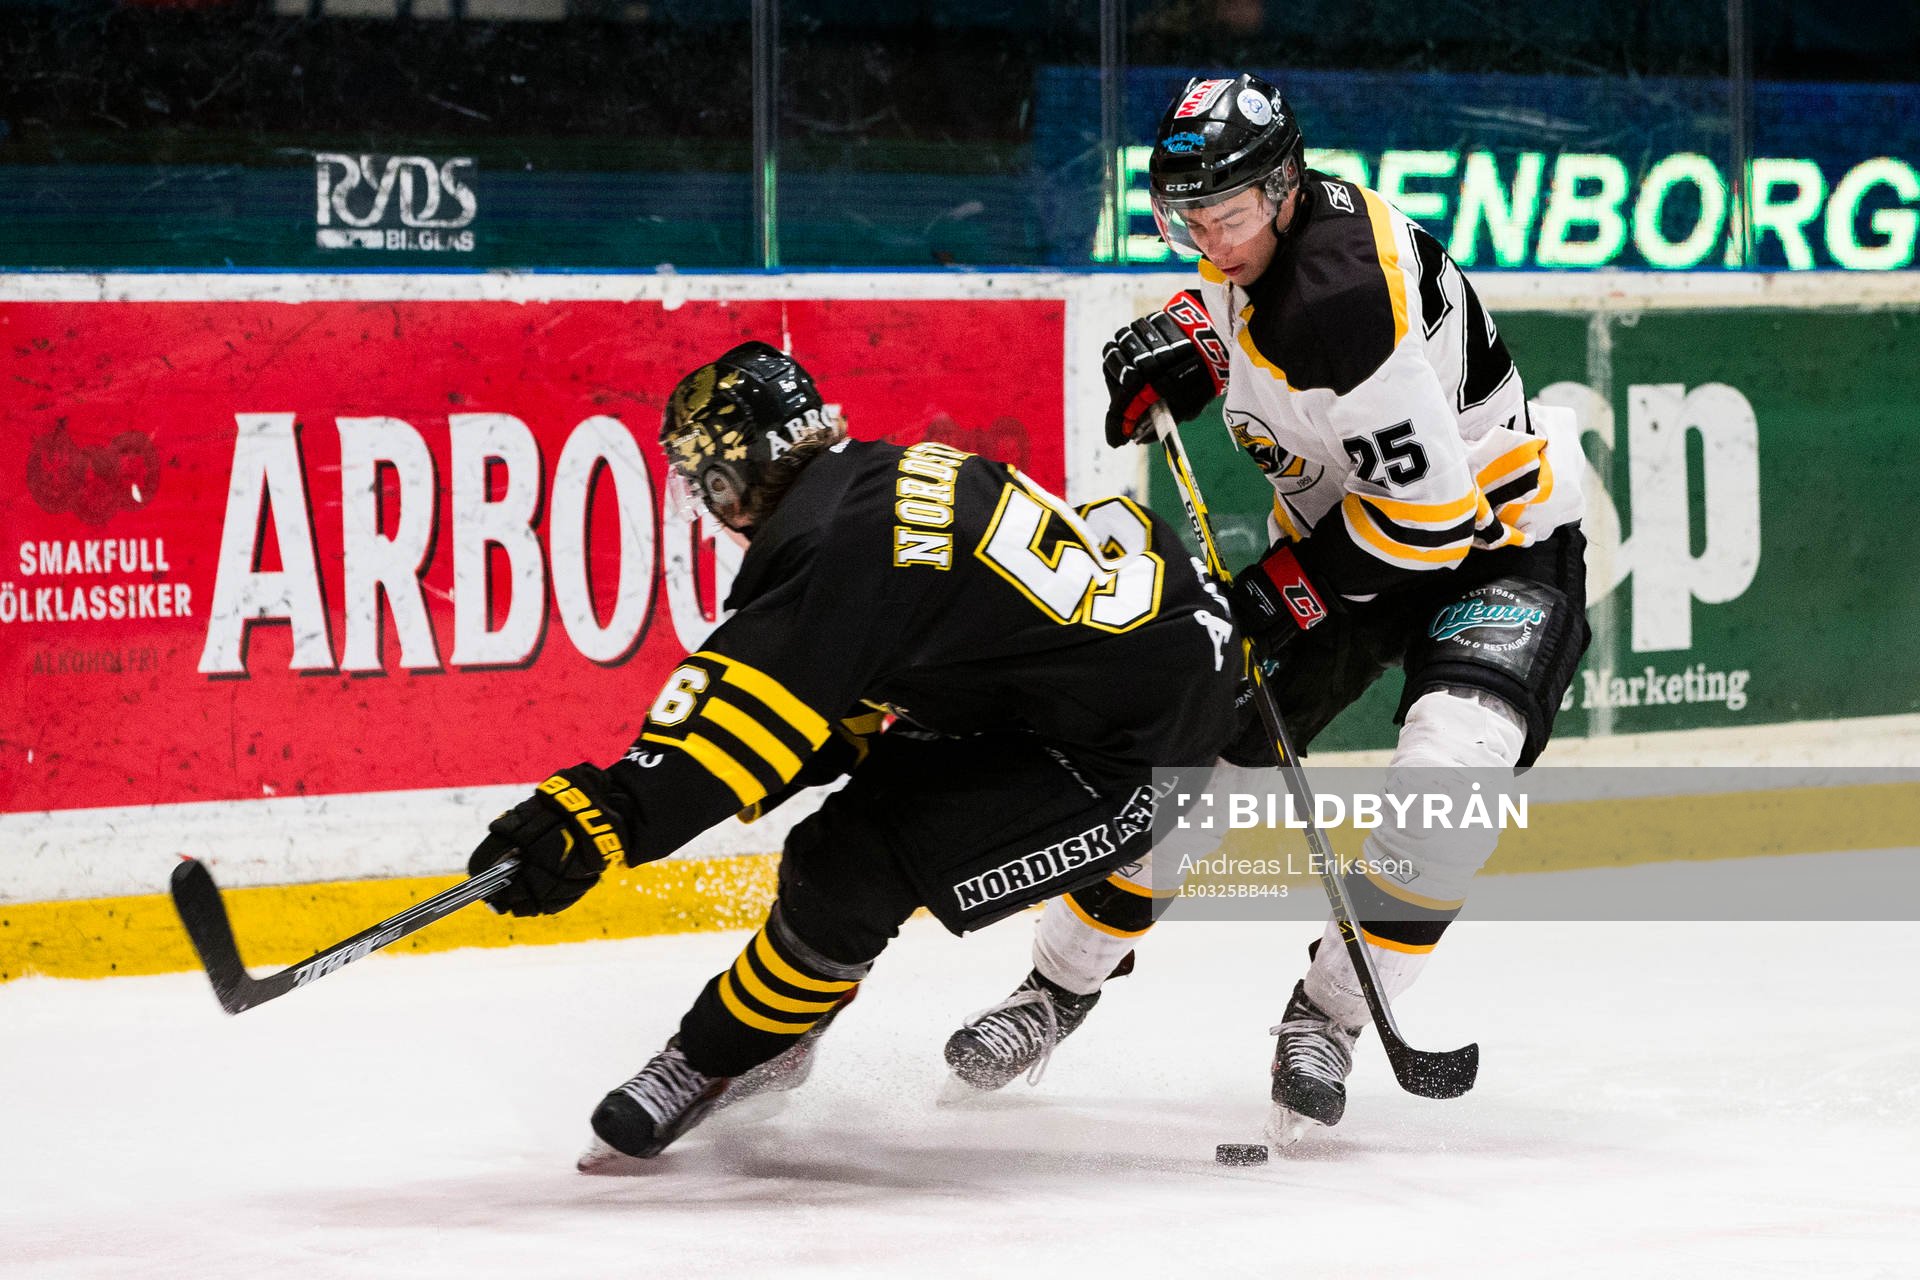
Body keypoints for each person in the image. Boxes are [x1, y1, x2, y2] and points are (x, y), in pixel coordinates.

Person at [943, 72, 1591, 1146]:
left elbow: (1428, 521)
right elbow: (1246, 313)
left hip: (1493, 550)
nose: (1206, 232)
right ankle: (1055, 988)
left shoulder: (1337, 297)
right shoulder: (1267, 239)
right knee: (1204, 759)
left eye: (1225, 214)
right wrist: (1190, 334)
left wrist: (1280, 593)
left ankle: (1330, 1015)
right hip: (1361, 535)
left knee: (1455, 774)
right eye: (1186, 216)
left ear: (1286, 189)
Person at [464, 340, 1239, 1167]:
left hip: (1131, 757)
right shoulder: (879, 478)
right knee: (846, 836)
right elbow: (868, 684)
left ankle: (727, 1053)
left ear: (728, 478)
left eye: (702, 480)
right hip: (1112, 688)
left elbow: (727, 724)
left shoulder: (834, 546)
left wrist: (599, 818)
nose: (705, 500)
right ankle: (775, 1030)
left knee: (853, 864)